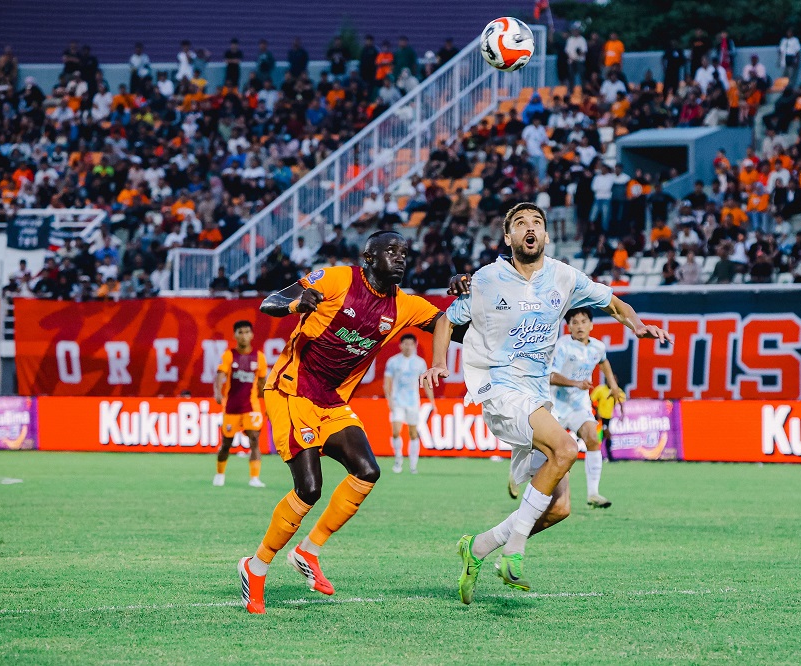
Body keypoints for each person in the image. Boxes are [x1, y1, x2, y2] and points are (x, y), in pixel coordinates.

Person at [420, 203, 669, 603]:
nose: (529, 228)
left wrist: (637, 325)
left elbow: (613, 303)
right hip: (499, 388)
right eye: (519, 223)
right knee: (568, 448)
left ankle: (480, 547)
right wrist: (437, 363)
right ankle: (515, 549)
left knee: (559, 508)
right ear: (508, 238)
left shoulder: (564, 277)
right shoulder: (486, 279)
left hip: (537, 396)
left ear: (547, 236)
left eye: (536, 222)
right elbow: (446, 320)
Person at [237, 231, 444, 614]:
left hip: (331, 401)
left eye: (405, 253)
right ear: (369, 256)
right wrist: (295, 305)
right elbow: (271, 301)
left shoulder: (405, 306)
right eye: (392, 251)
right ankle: (256, 566)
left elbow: (450, 323)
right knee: (309, 489)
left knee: (367, 471)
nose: (401, 258)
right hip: (290, 390)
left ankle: (308, 550)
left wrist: (468, 298)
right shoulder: (336, 280)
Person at [537, 307, 624, 508]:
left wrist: (613, 385)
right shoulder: (562, 346)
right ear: (568, 327)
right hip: (555, 405)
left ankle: (593, 493)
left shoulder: (598, 347)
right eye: (574, 322)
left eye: (583, 321)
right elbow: (550, 376)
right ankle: (523, 477)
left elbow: (604, 362)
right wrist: (575, 383)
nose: (579, 326)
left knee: (593, 438)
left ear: (591, 325)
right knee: (548, 452)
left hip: (578, 404)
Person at [213, 321, 268, 488]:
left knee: (254, 439)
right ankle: (220, 474)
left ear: (252, 335)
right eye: (240, 332)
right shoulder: (229, 355)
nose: (244, 336)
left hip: (251, 406)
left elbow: (262, 382)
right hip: (231, 407)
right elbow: (220, 375)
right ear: (235, 335)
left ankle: (254, 478)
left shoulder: (259, 357)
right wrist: (217, 391)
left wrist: (268, 402)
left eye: (246, 332)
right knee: (226, 444)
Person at [383, 334, 435, 474]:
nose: (407, 346)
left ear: (415, 345)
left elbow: (425, 382)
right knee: (395, 431)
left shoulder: (420, 362)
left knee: (413, 433)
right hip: (397, 401)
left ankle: (413, 465)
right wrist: (389, 399)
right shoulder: (393, 362)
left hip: (412, 402)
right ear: (400, 345)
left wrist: (432, 401)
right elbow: (387, 382)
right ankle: (398, 458)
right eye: (405, 344)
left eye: (410, 344)